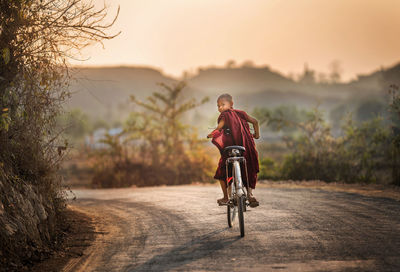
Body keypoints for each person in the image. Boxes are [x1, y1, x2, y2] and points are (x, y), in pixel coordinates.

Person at [207, 93, 260, 207]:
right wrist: (256, 135)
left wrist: (212, 134)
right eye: (218, 106)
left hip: (231, 148)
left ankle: (226, 197)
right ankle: (250, 195)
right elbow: (255, 122)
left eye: (222, 104)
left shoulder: (225, 115)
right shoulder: (242, 114)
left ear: (231, 104)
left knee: (222, 170)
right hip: (246, 147)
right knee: (247, 167)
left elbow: (219, 128)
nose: (220, 108)